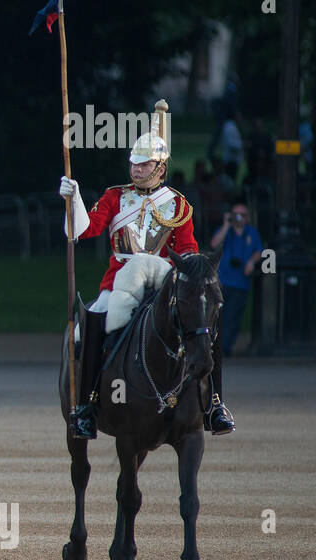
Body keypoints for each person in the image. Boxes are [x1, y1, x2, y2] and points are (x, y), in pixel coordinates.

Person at [59, 129, 235, 438]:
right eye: (134, 164)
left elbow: (187, 251)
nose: (137, 170)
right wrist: (73, 201)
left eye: (144, 165)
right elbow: (83, 232)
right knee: (87, 327)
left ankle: (215, 405)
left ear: (160, 167)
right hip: (118, 282)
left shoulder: (178, 205)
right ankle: (88, 406)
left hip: (163, 284)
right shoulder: (115, 196)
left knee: (209, 325)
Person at [209, 201, 263, 357]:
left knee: (233, 317)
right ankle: (215, 346)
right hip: (222, 281)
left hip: (241, 283)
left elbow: (259, 250)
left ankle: (224, 348)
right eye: (236, 214)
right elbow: (214, 243)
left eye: (243, 215)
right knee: (217, 315)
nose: (239, 218)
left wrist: (252, 262)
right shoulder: (225, 231)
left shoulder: (252, 233)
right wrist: (227, 225)